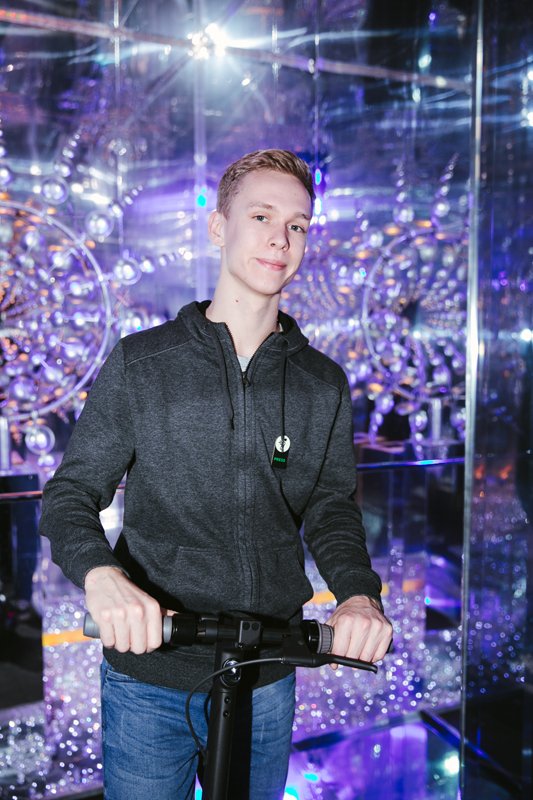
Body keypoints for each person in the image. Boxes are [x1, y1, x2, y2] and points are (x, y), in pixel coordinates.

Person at [39, 149, 393, 800]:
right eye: (261, 216)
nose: (280, 239)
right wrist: (102, 576)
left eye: (297, 225)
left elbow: (330, 507)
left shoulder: (321, 383)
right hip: (150, 674)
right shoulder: (144, 362)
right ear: (217, 227)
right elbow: (70, 494)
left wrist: (357, 594)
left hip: (267, 673)